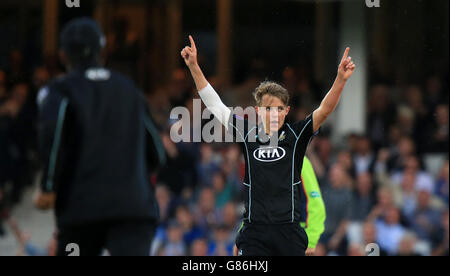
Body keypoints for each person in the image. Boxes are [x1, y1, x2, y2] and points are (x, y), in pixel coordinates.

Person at [181, 36, 355, 256]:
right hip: (255, 233)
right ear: (257, 111)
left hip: (289, 232)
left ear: (286, 111)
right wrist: (194, 66)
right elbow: (215, 105)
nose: (273, 114)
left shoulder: (296, 134)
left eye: (279, 109)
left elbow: (325, 109)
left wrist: (340, 79)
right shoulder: (247, 134)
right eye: (267, 109)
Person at [34, 17, 166, 256]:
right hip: (133, 210)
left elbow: (52, 136)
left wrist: (49, 186)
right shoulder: (129, 88)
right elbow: (156, 152)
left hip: (81, 210)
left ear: (63, 56)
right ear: (102, 51)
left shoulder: (60, 90)